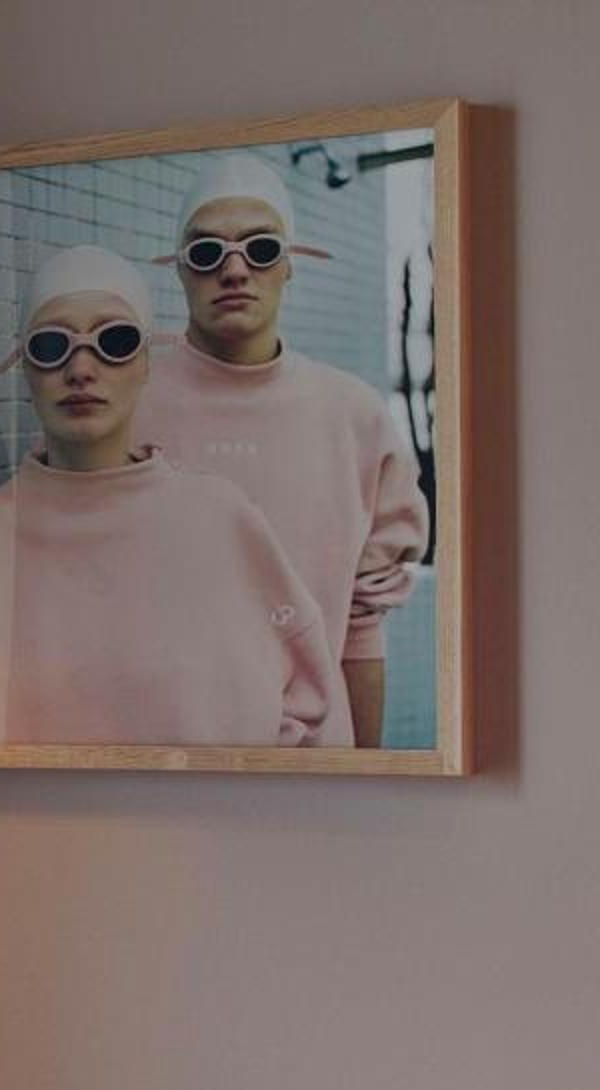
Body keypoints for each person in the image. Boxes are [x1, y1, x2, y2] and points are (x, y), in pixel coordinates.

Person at [0, 245, 345, 749]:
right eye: (52, 346)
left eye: (114, 341)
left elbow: (309, 716)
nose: (81, 368)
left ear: (145, 364)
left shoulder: (219, 517)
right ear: (25, 368)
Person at [133, 150, 431, 747]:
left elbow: (361, 626)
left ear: (289, 264)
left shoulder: (353, 417)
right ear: (181, 270)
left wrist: (365, 776)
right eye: (207, 252)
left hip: (312, 765)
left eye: (261, 249)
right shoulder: (124, 405)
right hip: (150, 756)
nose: (234, 270)